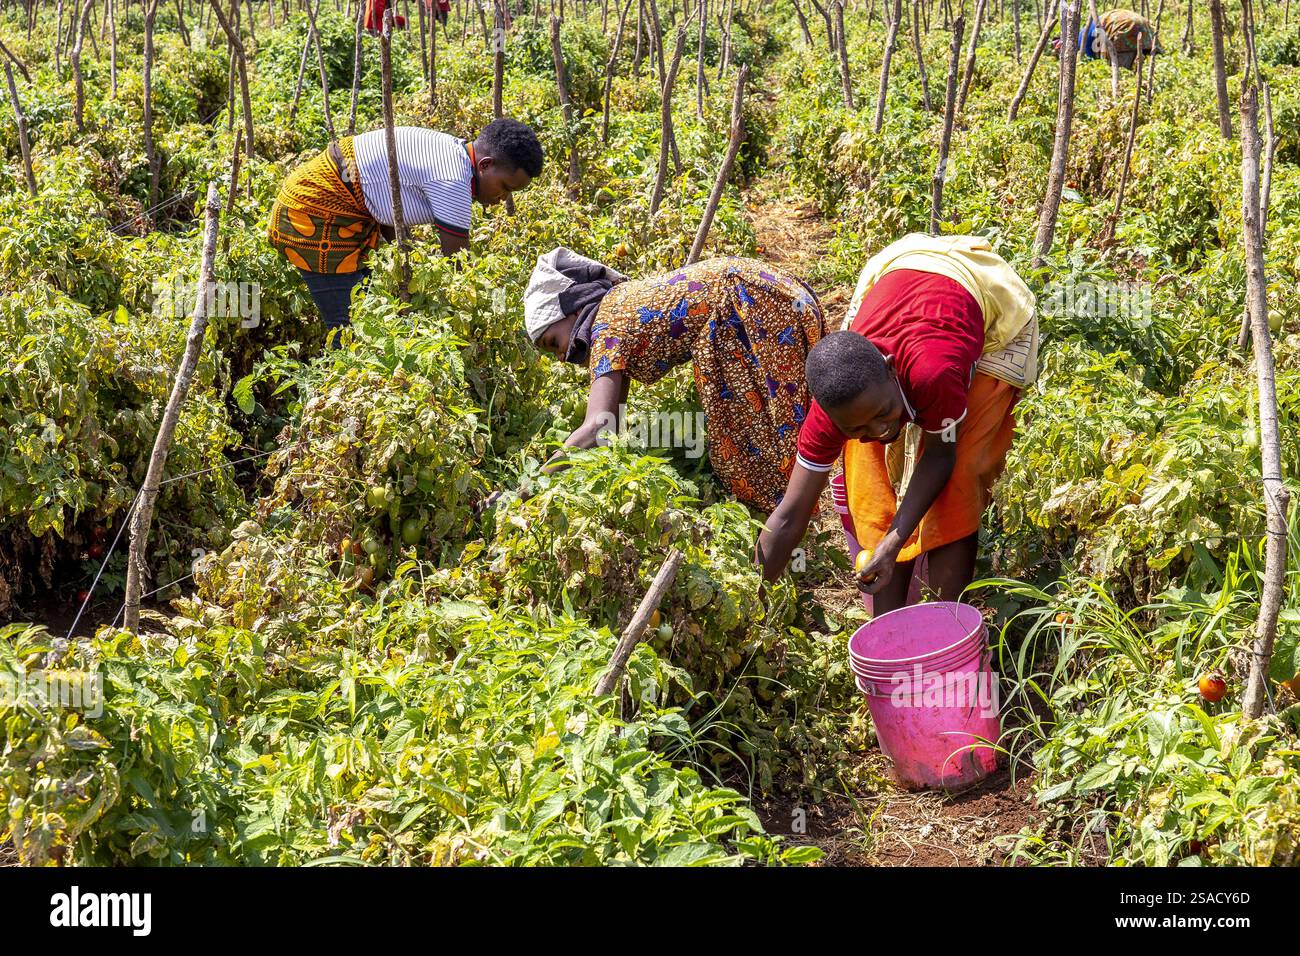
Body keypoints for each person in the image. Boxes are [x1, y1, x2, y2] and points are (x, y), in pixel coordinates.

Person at [755, 234, 1038, 615]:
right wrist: (751, 602)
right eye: (858, 426)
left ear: (890, 370)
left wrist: (893, 543)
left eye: (882, 414)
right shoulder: (838, 404)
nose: (879, 431)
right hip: (893, 274)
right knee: (867, 479)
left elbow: (941, 457)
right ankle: (888, 624)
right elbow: (789, 515)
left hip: (983, 298)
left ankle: (944, 623)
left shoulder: (935, 374)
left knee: (960, 477)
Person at [519, 250, 825, 512]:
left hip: (748, 303)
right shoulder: (614, 311)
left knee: (763, 432)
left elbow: (597, 425)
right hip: (764, 290)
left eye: (551, 342)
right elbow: (611, 426)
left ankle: (785, 534)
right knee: (781, 422)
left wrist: (529, 488)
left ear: (573, 309)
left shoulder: (606, 329)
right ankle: (790, 526)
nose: (560, 356)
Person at [267, 119, 542, 332]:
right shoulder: (454, 180)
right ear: (485, 165)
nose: (503, 198)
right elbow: (459, 270)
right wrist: (486, 313)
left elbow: (380, 192)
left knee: (368, 309)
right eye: (505, 187)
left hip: (330, 194)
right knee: (349, 328)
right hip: (315, 212)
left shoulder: (451, 151)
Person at [1054, 7, 1160, 69]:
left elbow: (1090, 64)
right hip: (1139, 22)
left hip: (1123, 27)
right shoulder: (1084, 32)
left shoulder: (1082, 41)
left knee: (1123, 72)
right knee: (1151, 63)